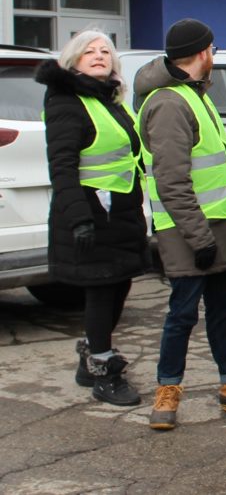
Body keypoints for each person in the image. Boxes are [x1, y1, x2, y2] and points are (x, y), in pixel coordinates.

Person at [135, 18, 226, 430]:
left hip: (220, 228)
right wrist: (199, 238)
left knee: (223, 311)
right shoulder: (169, 104)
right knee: (182, 314)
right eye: (211, 48)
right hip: (189, 233)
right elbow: (172, 183)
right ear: (203, 53)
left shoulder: (195, 93)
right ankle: (167, 391)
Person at [36, 31, 149, 406]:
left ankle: (91, 355)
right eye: (89, 51)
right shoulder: (66, 101)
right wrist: (79, 218)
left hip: (122, 212)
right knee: (102, 289)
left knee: (119, 285)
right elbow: (62, 167)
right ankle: (103, 369)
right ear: (74, 60)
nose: (99, 55)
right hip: (91, 215)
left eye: (105, 51)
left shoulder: (111, 100)